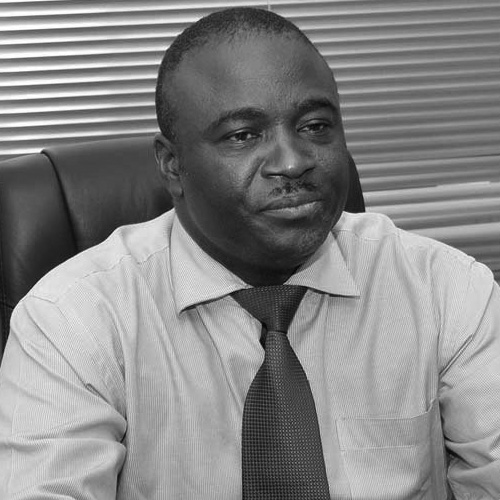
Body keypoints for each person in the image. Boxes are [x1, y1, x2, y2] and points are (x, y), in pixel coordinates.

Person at [0, 6, 499, 499]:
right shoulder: (73, 320)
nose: (293, 161)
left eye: (315, 126)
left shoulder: (446, 290)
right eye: (243, 135)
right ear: (172, 165)